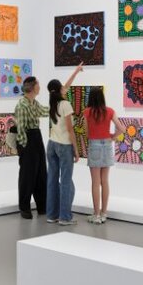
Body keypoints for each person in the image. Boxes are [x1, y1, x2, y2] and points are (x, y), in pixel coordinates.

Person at [14, 64, 83, 220]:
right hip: (28, 142)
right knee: (27, 175)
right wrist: (24, 149)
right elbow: (21, 130)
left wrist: (75, 72)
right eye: (37, 84)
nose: (39, 86)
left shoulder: (38, 103)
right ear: (32, 88)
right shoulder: (23, 105)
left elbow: (50, 106)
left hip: (40, 139)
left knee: (41, 175)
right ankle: (25, 207)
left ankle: (44, 208)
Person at [45, 64, 84, 225]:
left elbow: (66, 85)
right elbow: (70, 130)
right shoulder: (65, 105)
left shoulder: (52, 103)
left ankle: (52, 215)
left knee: (52, 180)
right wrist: (76, 150)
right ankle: (65, 217)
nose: (64, 87)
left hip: (51, 145)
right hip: (64, 146)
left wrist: (76, 72)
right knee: (66, 181)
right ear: (59, 89)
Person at [82, 87, 123, 224]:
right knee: (104, 181)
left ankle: (96, 214)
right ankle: (104, 213)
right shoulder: (110, 111)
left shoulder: (87, 112)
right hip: (107, 145)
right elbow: (122, 128)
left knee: (95, 182)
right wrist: (112, 136)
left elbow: (87, 133)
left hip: (94, 146)